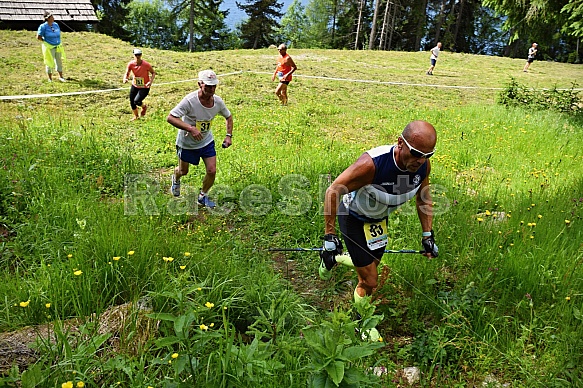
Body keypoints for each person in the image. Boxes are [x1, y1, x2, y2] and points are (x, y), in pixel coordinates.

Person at [320, 120, 439, 311]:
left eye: (428, 155)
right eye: (416, 154)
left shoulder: (423, 166)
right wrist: (329, 236)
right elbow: (333, 190)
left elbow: (423, 198)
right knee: (370, 280)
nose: (421, 160)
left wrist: (428, 235)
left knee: (371, 268)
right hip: (353, 218)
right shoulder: (372, 164)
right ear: (400, 143)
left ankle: (332, 259)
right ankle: (362, 322)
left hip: (379, 221)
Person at [167, 70, 233, 209]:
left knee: (212, 170)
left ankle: (202, 196)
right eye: (208, 86)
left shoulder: (218, 102)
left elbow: (228, 116)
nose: (211, 89)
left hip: (206, 142)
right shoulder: (189, 101)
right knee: (183, 171)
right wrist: (190, 128)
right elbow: (171, 117)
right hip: (187, 144)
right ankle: (176, 178)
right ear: (199, 84)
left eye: (214, 86)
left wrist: (228, 136)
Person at [123, 48, 156, 121]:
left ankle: (144, 107)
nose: (137, 56)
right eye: (136, 55)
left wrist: (150, 82)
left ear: (141, 55)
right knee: (132, 102)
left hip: (144, 86)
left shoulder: (146, 64)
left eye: (139, 55)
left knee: (137, 101)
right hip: (135, 85)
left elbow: (153, 73)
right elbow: (127, 72)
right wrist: (125, 78)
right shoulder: (131, 64)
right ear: (133, 55)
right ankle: (136, 116)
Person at [37, 11, 66, 82]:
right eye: (52, 17)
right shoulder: (43, 27)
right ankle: (50, 78)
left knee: (59, 61)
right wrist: (45, 41)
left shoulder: (56, 24)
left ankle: (61, 76)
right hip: (49, 47)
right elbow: (39, 36)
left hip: (58, 46)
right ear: (48, 18)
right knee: (49, 61)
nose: (53, 18)